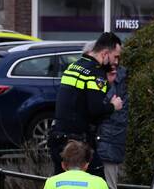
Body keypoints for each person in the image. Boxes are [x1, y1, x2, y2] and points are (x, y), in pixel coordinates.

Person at [49, 33, 123, 177]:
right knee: (97, 182)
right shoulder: (96, 73)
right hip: (77, 146)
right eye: (116, 57)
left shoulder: (74, 66)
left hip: (58, 139)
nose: (116, 62)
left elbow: (76, 101)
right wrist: (113, 106)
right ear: (105, 54)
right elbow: (95, 110)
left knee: (62, 187)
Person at [96, 62, 128, 189]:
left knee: (109, 186)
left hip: (108, 140)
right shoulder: (118, 80)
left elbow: (114, 114)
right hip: (108, 139)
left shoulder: (115, 84)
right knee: (108, 186)